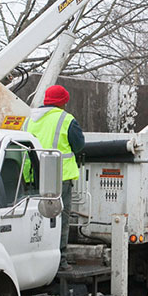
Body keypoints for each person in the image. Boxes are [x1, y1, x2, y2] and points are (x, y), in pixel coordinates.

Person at [24, 85, 85, 271]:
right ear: (63, 102)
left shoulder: (28, 119)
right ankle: (60, 261)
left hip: (31, 176)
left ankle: (34, 258)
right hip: (59, 178)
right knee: (59, 219)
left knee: (34, 219)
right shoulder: (66, 120)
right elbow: (79, 146)